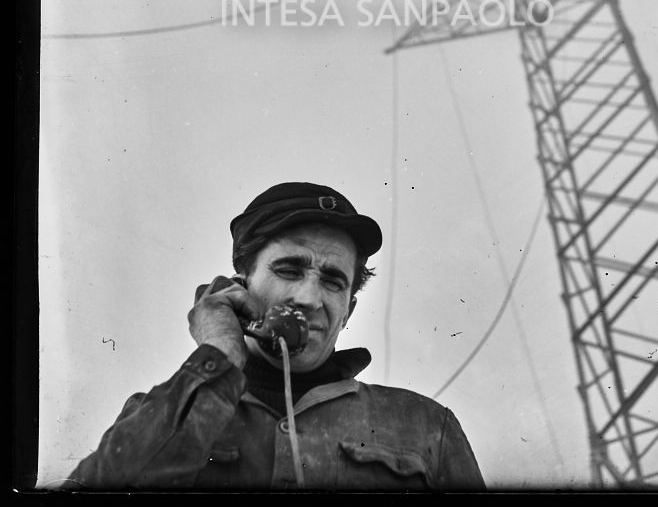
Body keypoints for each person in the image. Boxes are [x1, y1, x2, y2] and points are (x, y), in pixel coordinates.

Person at [62, 181, 486, 491]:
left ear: (348, 311)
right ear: (239, 287)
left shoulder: (427, 426)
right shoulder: (160, 410)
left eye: (334, 281)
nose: (308, 297)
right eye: (288, 270)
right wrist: (219, 353)